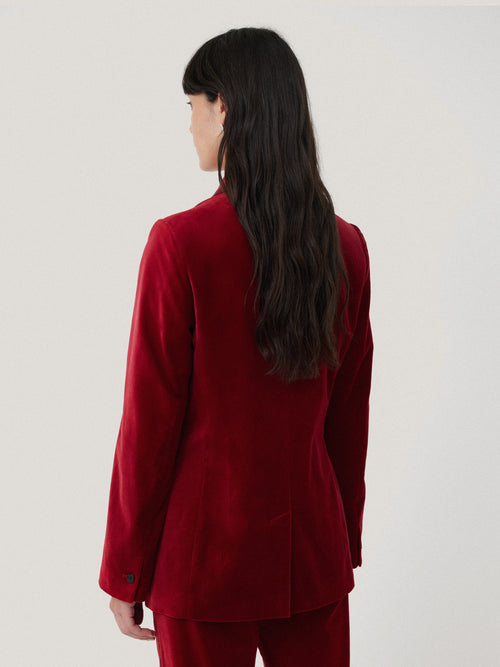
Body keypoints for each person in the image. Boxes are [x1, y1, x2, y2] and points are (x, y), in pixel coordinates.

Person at [98, 26, 374, 667]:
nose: (190, 123)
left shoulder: (180, 244)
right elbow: (348, 417)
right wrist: (343, 540)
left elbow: (149, 426)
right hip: (311, 557)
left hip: (203, 563)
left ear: (224, 107)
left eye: (192, 104)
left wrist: (126, 570)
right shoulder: (346, 247)